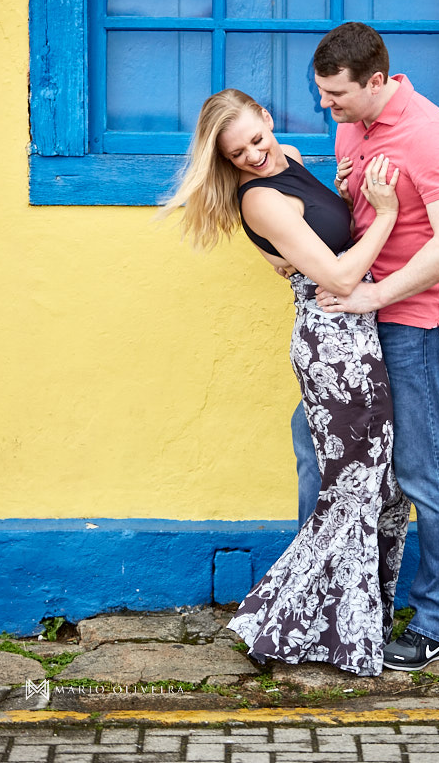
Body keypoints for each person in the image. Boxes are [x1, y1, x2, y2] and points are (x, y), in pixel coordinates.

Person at [161, 88, 410, 677]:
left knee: (383, 488)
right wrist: (390, 213)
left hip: (358, 335)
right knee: (354, 490)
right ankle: (289, 623)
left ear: (268, 121)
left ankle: (354, 620)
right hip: (335, 346)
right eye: (237, 152)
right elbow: (344, 275)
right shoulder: (260, 200)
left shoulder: (292, 157)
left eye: (256, 137)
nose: (254, 153)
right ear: (222, 158)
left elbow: (319, 235)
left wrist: (345, 191)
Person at [290, 22, 439, 672]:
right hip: (369, 318)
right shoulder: (355, 123)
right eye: (322, 94)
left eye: (335, 95)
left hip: (422, 322)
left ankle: (436, 625)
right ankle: (345, 600)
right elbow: (368, 213)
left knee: (426, 472)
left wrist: (375, 296)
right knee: (329, 447)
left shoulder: (433, 138)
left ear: (376, 81)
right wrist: (341, 189)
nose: (326, 107)